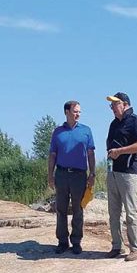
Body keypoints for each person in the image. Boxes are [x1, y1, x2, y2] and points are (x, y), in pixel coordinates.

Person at [48, 100, 96, 255]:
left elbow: (91, 153)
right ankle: (62, 241)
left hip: (79, 175)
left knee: (78, 209)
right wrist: (50, 175)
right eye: (75, 111)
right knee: (61, 209)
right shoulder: (57, 132)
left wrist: (92, 174)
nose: (78, 114)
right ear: (66, 112)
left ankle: (76, 241)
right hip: (61, 174)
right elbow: (52, 154)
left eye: (79, 112)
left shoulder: (86, 131)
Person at [105, 92, 137, 261]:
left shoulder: (136, 120)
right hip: (112, 172)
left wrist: (120, 151)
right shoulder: (114, 124)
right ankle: (117, 246)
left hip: (129, 173)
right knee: (113, 212)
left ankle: (136, 248)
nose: (112, 108)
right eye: (111, 105)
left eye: (115, 104)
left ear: (125, 104)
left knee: (131, 212)